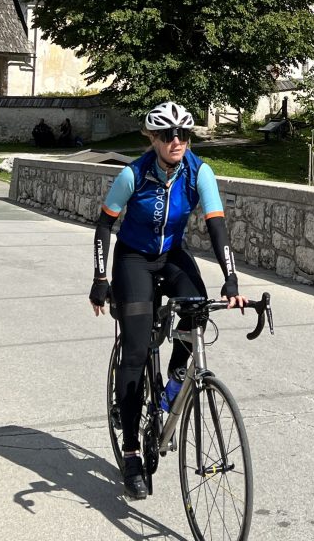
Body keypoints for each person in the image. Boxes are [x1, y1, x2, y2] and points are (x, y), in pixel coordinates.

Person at [88, 101, 244, 501]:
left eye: (184, 135)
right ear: (153, 139)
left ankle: (173, 382)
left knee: (197, 310)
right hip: (133, 258)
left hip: (172, 254)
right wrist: (100, 277)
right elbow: (106, 223)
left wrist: (231, 279)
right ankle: (131, 452)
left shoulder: (199, 171)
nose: (177, 141)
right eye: (168, 135)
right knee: (137, 349)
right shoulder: (133, 174)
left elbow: (217, 226)